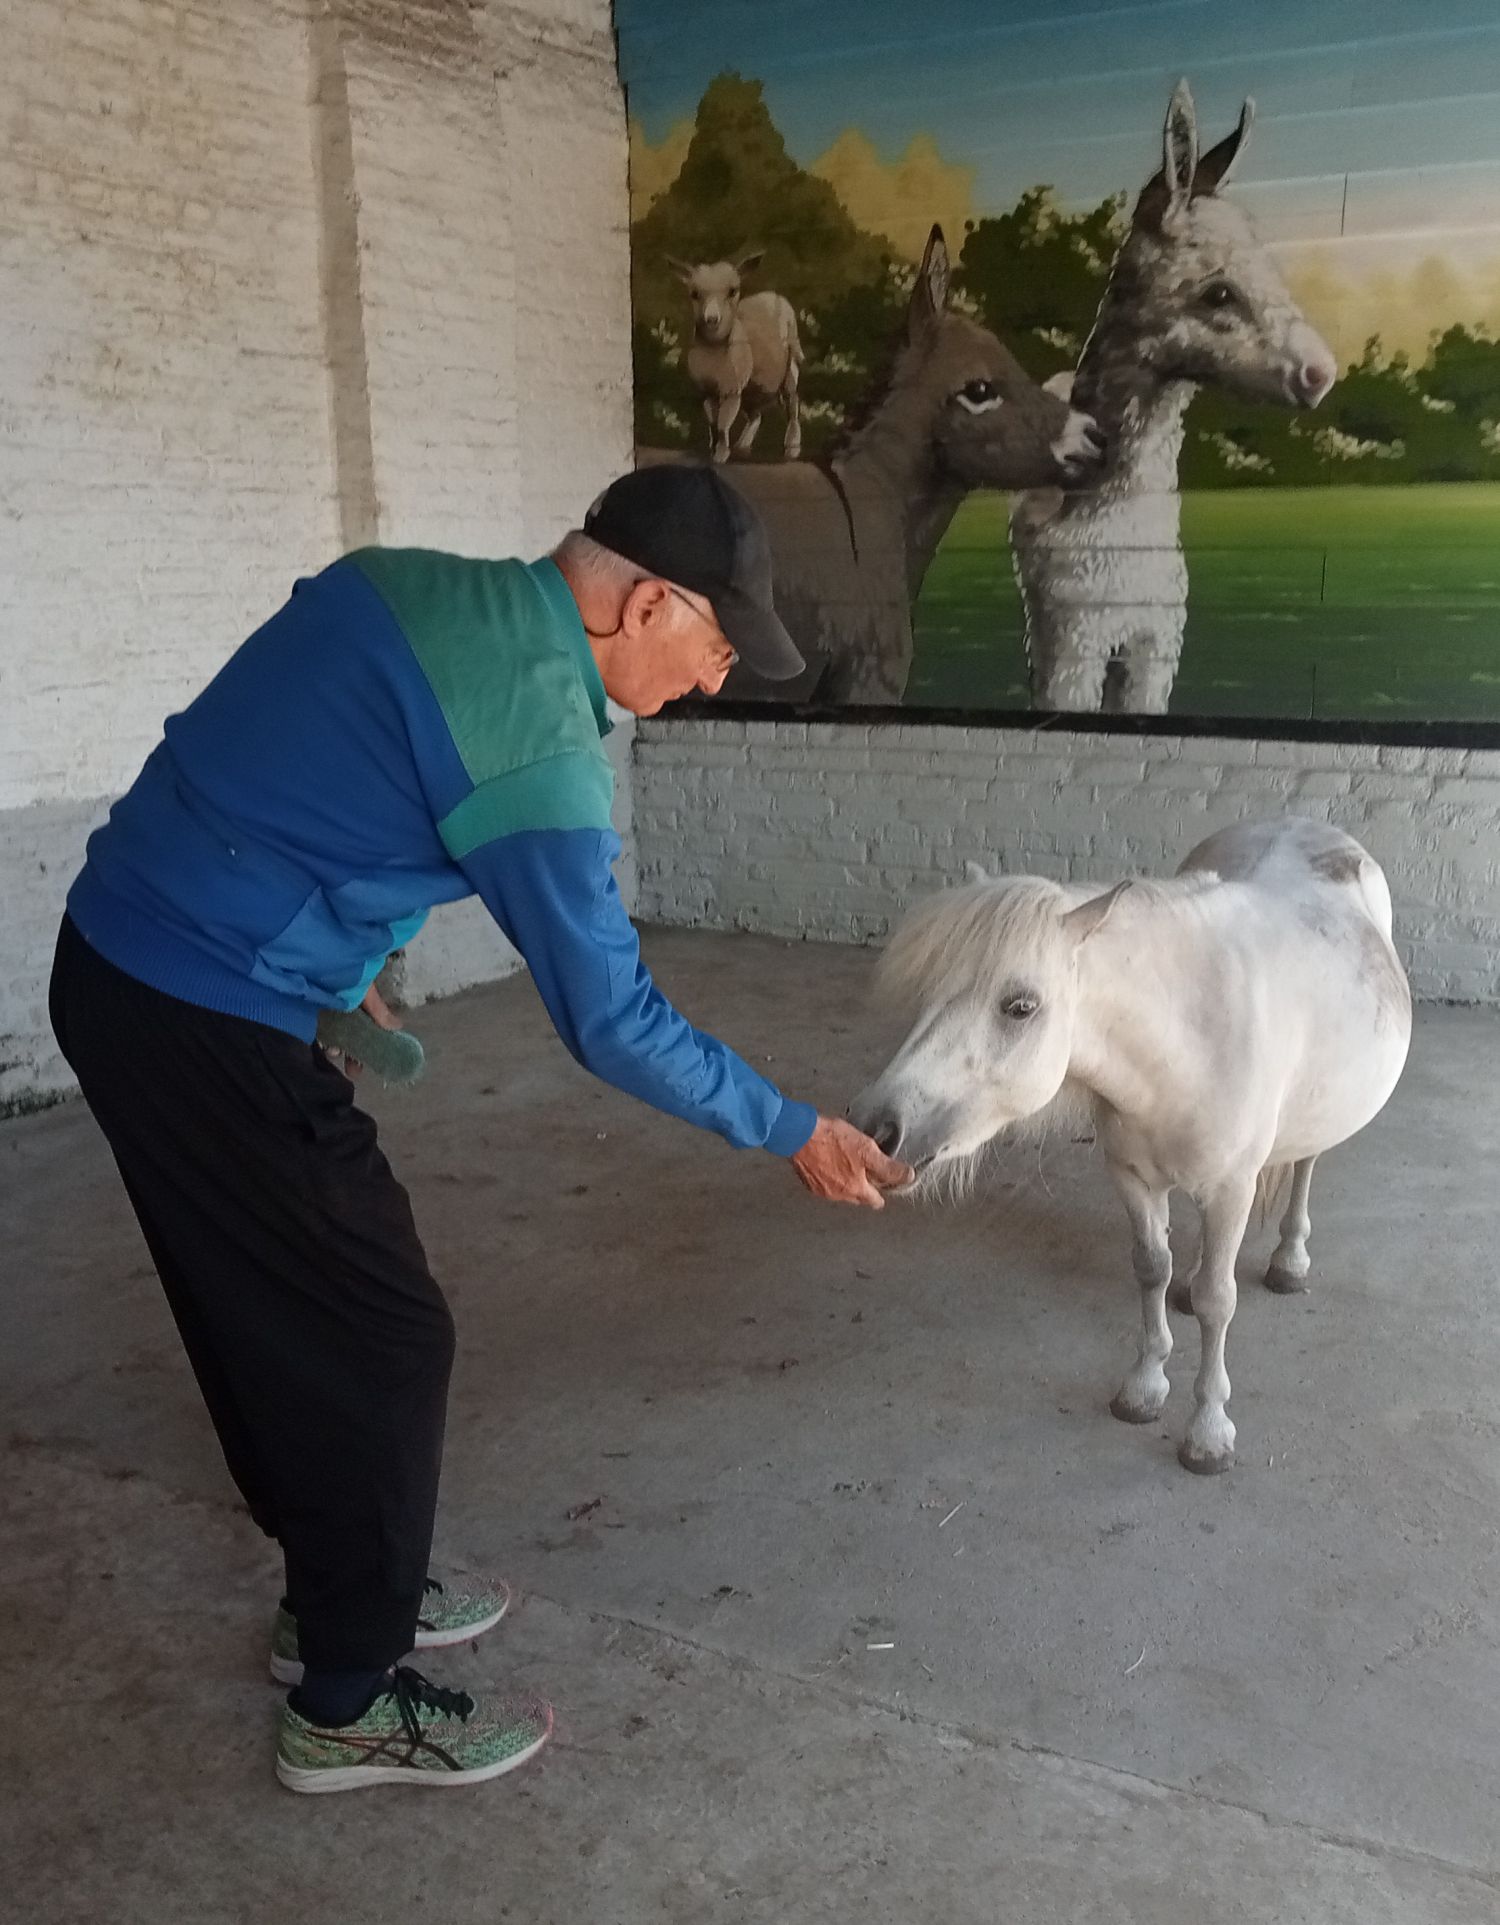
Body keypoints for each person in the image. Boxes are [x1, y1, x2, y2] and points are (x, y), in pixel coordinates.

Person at [49, 463, 910, 1796]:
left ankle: (333, 1592)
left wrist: (340, 945)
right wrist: (788, 1124)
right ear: (645, 604)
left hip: (126, 957)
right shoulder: (540, 742)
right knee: (382, 1333)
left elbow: (291, 752)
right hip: (196, 1010)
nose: (720, 677)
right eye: (719, 643)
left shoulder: (405, 584)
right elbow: (610, 1016)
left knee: (267, 1308)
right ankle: (344, 1699)